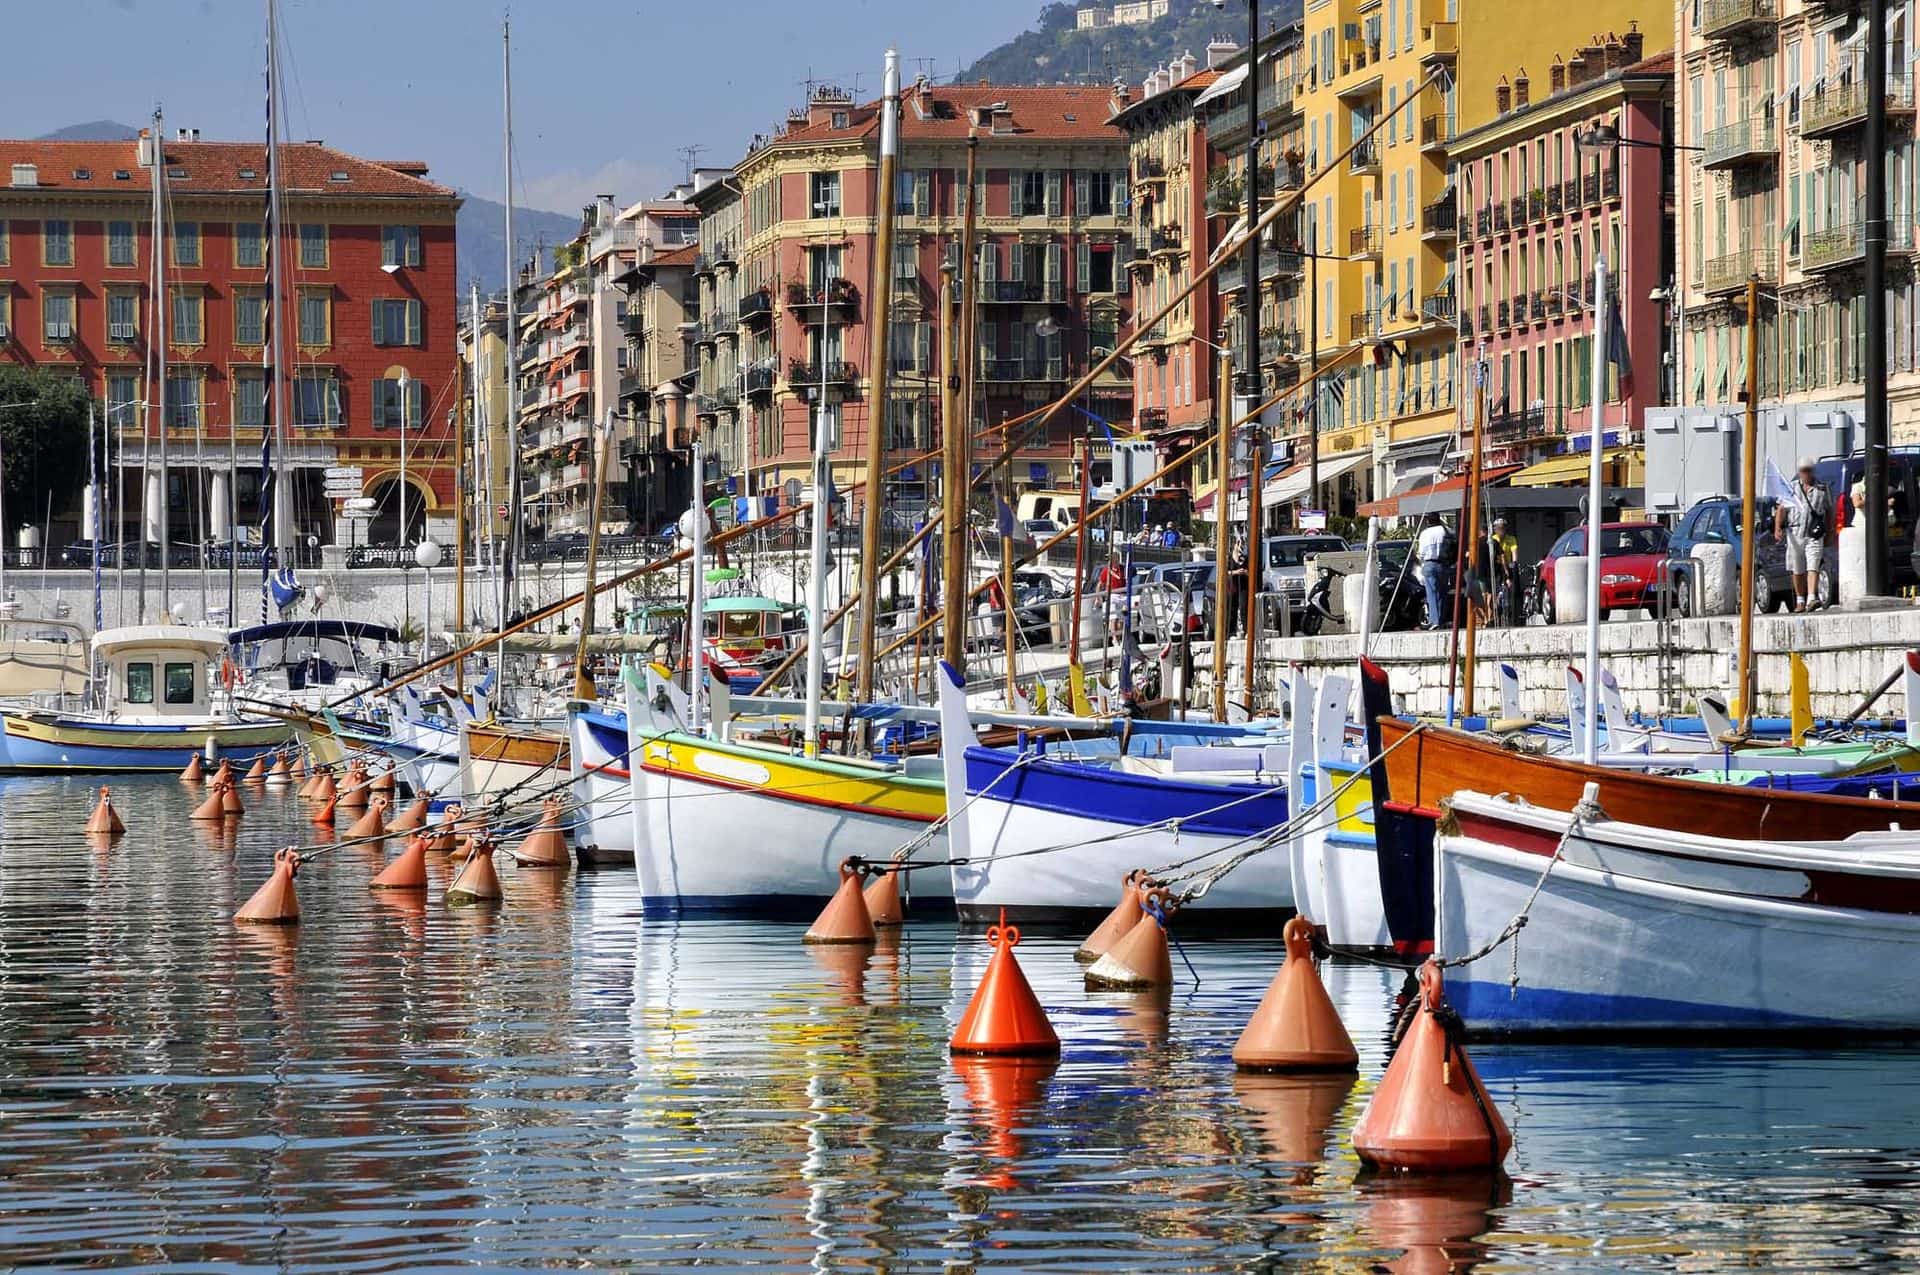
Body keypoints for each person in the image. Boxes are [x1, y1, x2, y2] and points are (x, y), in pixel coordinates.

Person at [1774, 456, 1833, 612]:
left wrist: (1830, 532)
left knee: (1813, 564)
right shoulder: (1791, 488)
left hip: (1814, 533)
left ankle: (1812, 597)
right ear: (1799, 472)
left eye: (1808, 470)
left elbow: (1829, 511)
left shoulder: (1822, 488)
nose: (1806, 474)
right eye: (1803, 471)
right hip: (1794, 532)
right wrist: (1778, 528)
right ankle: (1800, 600)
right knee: (1797, 568)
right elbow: (1781, 509)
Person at [1416, 512, 1450, 629]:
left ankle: (1434, 621)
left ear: (1428, 521)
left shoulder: (1424, 533)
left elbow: (1420, 553)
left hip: (1429, 564)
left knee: (1432, 593)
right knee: (1442, 593)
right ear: (1439, 519)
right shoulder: (1445, 531)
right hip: (1443, 564)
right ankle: (1441, 620)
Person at [1489, 516, 1519, 625]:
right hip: (1496, 568)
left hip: (1508, 567)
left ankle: (1510, 611)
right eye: (1498, 528)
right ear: (1495, 529)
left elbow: (1514, 553)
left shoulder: (1511, 539)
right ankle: (1497, 611)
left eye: (1503, 528)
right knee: (1496, 590)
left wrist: (1514, 564)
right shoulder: (1493, 539)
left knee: (1510, 589)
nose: (1501, 530)